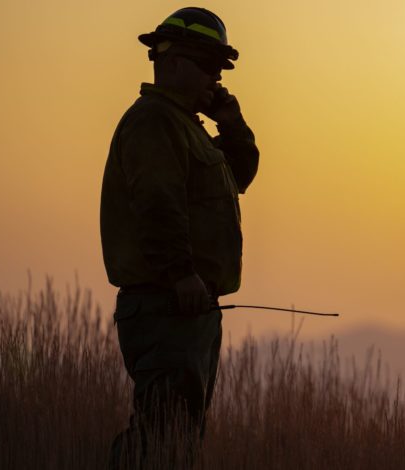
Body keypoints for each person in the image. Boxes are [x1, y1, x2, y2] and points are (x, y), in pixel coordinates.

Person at [99, 7, 259, 468]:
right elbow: (157, 203)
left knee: (178, 439)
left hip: (189, 307)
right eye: (207, 65)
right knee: (160, 434)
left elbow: (240, 175)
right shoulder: (154, 121)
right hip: (167, 303)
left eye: (219, 69)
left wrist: (230, 121)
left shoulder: (189, 128)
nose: (215, 77)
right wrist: (181, 274)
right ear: (171, 62)